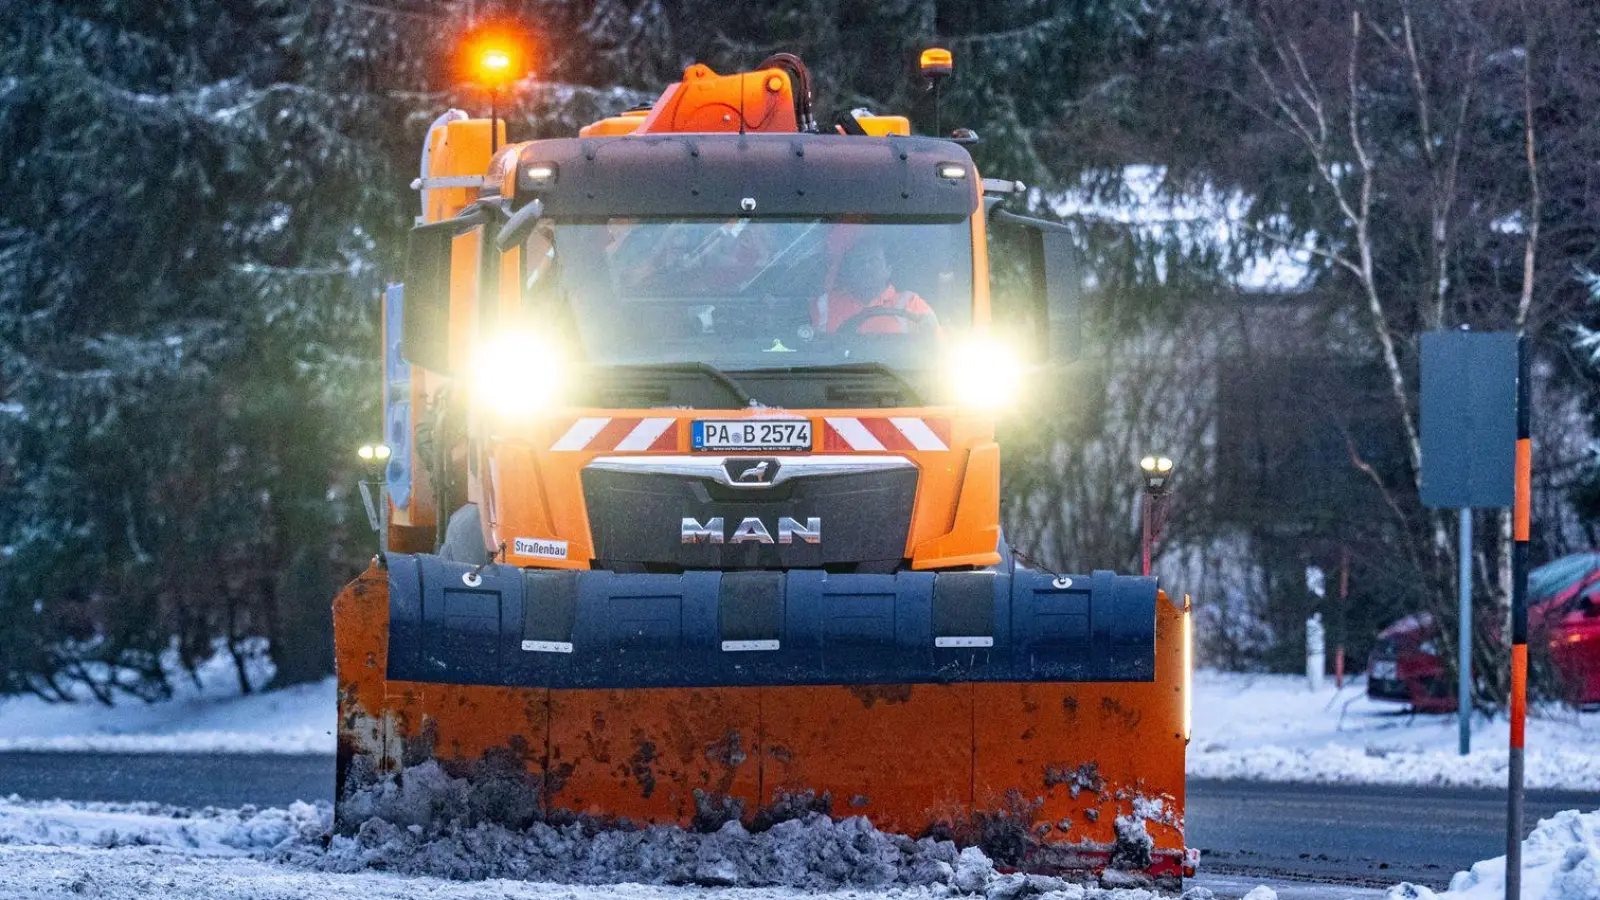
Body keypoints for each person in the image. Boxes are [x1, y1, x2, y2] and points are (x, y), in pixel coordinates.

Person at [812, 236, 937, 334]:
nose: (867, 266)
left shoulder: (911, 303)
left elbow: (937, 349)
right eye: (859, 262)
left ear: (888, 270)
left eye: (874, 261)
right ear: (849, 271)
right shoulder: (825, 305)